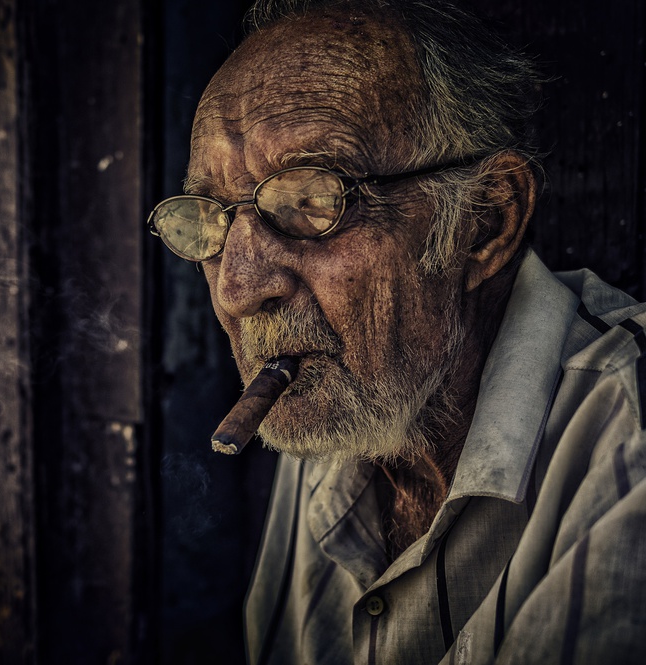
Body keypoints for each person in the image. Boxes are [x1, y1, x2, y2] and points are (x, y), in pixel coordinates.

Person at [147, 0, 646, 662]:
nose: (237, 289)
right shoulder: (340, 408)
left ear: (486, 221)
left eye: (313, 199)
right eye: (208, 219)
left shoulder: (627, 449)